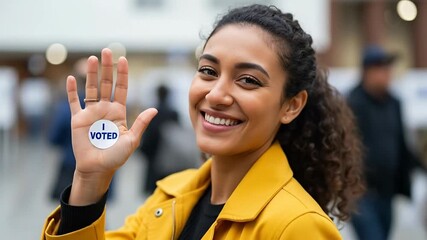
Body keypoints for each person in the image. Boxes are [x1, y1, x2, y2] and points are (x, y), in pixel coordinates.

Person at [41, 4, 363, 239]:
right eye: (208, 71)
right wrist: (90, 180)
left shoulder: (296, 227)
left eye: (248, 80)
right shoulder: (170, 196)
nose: (217, 94)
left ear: (291, 105)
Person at [348, 45, 420, 240]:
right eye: (381, 68)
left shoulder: (394, 103)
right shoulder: (352, 103)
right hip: (361, 194)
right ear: (367, 72)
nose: (387, 73)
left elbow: (400, 143)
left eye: (388, 68)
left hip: (387, 192)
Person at [139, 84, 179, 194]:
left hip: (153, 151)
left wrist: (143, 149)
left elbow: (148, 132)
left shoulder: (151, 111)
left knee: (153, 187)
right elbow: (177, 135)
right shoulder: (173, 112)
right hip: (169, 153)